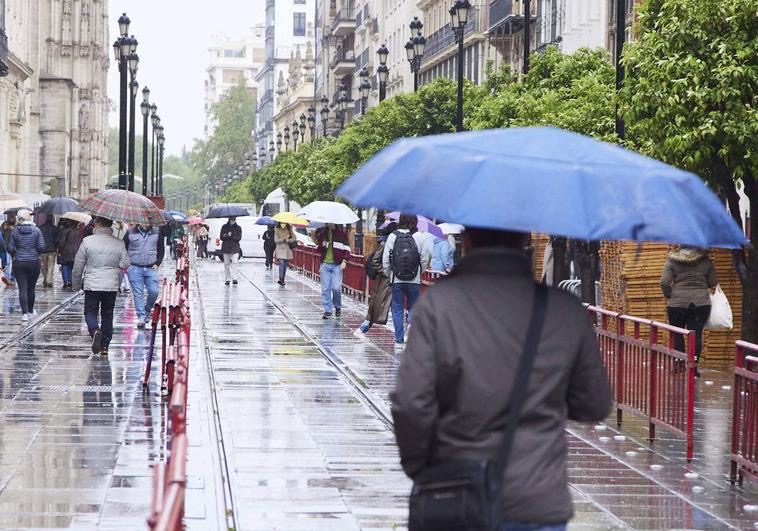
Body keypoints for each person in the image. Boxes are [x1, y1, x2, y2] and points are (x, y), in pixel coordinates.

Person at [390, 227, 612, 531]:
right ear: (525, 240)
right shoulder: (564, 311)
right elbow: (594, 404)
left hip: (457, 493)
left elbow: (411, 403)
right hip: (536, 498)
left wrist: (422, 469)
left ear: (466, 240)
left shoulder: (439, 305)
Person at [73, 216, 130, 355]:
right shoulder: (119, 243)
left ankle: (94, 330)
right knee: (107, 314)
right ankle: (105, 346)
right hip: (110, 284)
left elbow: (78, 265)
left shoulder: (87, 241)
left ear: (97, 224)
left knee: (90, 312)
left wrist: (75, 284)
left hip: (92, 284)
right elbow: (125, 264)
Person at [660, 245, 717, 370]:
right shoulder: (706, 261)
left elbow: (664, 282)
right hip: (701, 303)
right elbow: (713, 282)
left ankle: (679, 364)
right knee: (696, 335)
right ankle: (694, 367)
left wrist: (670, 295)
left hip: (677, 304)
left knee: (677, 333)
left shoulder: (672, 261)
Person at [382, 214, 432, 347]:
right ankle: (411, 329)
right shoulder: (421, 237)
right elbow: (426, 258)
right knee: (414, 306)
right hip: (414, 280)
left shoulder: (393, 236)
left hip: (396, 279)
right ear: (415, 221)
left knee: (397, 308)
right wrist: (419, 272)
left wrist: (389, 273)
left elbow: (386, 259)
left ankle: (399, 340)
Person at [355, 222, 396, 336]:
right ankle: (365, 326)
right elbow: (376, 260)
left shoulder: (386, 242)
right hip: (387, 279)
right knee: (380, 304)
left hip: (388, 279)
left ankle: (365, 326)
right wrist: (385, 271)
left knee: (383, 304)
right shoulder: (387, 243)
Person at [7, 209, 45, 321]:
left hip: (19, 262)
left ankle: (24, 314)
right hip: (34, 262)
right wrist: (35, 253)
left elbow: (10, 248)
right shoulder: (37, 231)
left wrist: (16, 254)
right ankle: (30, 310)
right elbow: (42, 247)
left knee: (22, 288)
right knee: (31, 288)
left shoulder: (14, 231)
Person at [124, 223, 164, 328]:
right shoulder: (130, 232)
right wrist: (127, 263)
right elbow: (124, 247)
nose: (145, 223)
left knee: (154, 291)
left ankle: (147, 309)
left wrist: (157, 263)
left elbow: (161, 249)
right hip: (135, 267)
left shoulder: (157, 232)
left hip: (151, 267)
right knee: (138, 293)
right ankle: (141, 316)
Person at [314, 223, 351, 319]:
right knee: (325, 289)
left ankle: (338, 306)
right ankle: (328, 310)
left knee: (336, 288)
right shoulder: (323, 234)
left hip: (337, 265)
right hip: (325, 264)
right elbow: (318, 249)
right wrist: (322, 245)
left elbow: (347, 249)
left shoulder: (342, 234)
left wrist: (344, 261)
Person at [56, 220, 82, 289]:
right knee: (72, 266)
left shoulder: (65, 231)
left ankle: (66, 281)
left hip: (66, 251)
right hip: (76, 251)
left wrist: (59, 251)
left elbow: (62, 242)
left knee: (65, 265)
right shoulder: (79, 231)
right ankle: (71, 281)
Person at [220, 216, 242, 286]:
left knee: (235, 262)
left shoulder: (238, 227)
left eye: (234, 219)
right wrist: (227, 235)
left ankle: (235, 278)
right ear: (229, 219)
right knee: (226, 264)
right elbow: (221, 237)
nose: (233, 220)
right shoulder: (224, 227)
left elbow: (239, 238)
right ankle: (227, 279)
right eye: (232, 219)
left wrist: (232, 235)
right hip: (226, 247)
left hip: (235, 247)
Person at [38, 214, 58, 288]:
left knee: (44, 267)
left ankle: (45, 279)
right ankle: (48, 281)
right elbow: (57, 239)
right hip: (52, 250)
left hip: (43, 250)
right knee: (50, 266)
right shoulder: (55, 228)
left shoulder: (40, 228)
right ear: (52, 219)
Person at [112, 221, 130, 293]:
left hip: (113, 249)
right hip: (122, 250)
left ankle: (115, 285)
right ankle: (118, 286)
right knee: (120, 269)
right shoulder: (126, 227)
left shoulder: (111, 226)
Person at [1, 210, 17, 287]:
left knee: (15, 264)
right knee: (6, 263)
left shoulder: (17, 224)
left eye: (12, 216)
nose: (10, 217)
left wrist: (13, 228)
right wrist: (4, 229)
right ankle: (7, 278)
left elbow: (19, 234)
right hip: (6, 246)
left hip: (15, 247)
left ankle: (13, 278)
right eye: (9, 216)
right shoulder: (4, 224)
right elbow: (1, 236)